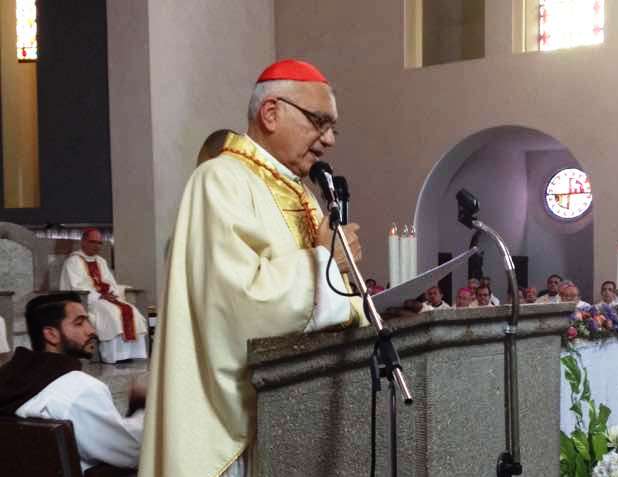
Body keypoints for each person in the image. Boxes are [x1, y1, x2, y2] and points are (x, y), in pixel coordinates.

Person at [139, 60, 366, 477]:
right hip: (237, 427)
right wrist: (322, 262)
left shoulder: (304, 195)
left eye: (334, 128)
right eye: (320, 121)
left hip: (299, 414)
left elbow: (333, 301)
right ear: (271, 113)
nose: (329, 139)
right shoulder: (220, 180)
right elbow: (237, 307)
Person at [0, 293, 144, 473]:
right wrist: (142, 407)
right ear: (52, 334)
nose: (91, 330)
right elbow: (131, 451)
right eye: (80, 323)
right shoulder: (79, 389)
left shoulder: (9, 377)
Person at [59, 228, 148, 363]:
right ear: (83, 242)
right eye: (93, 242)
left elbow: (110, 282)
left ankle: (129, 354)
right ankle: (114, 355)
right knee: (111, 313)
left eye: (99, 243)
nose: (96, 246)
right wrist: (100, 296)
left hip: (107, 298)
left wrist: (111, 293)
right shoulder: (73, 261)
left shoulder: (100, 261)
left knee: (131, 310)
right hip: (88, 301)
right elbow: (76, 287)